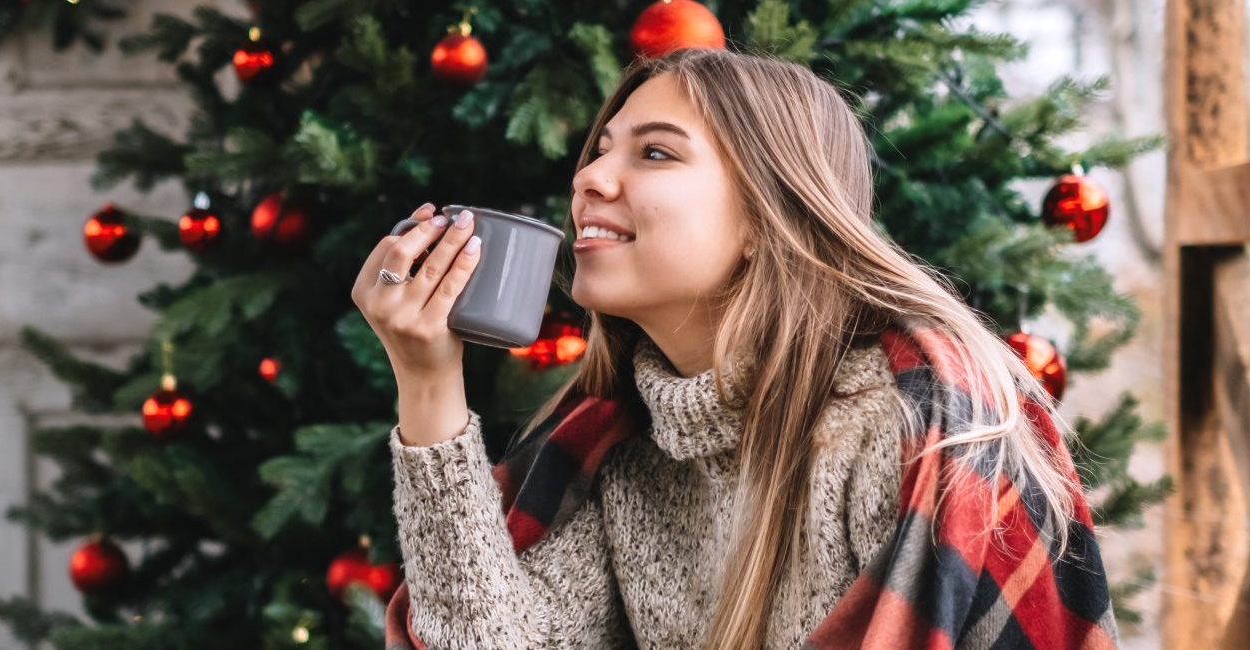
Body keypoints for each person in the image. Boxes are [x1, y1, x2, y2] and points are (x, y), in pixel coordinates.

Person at [351, 48, 1116, 650]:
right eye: (600, 150)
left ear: (766, 216)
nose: (589, 178)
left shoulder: (904, 426)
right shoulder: (623, 446)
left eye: (654, 154)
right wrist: (428, 383)